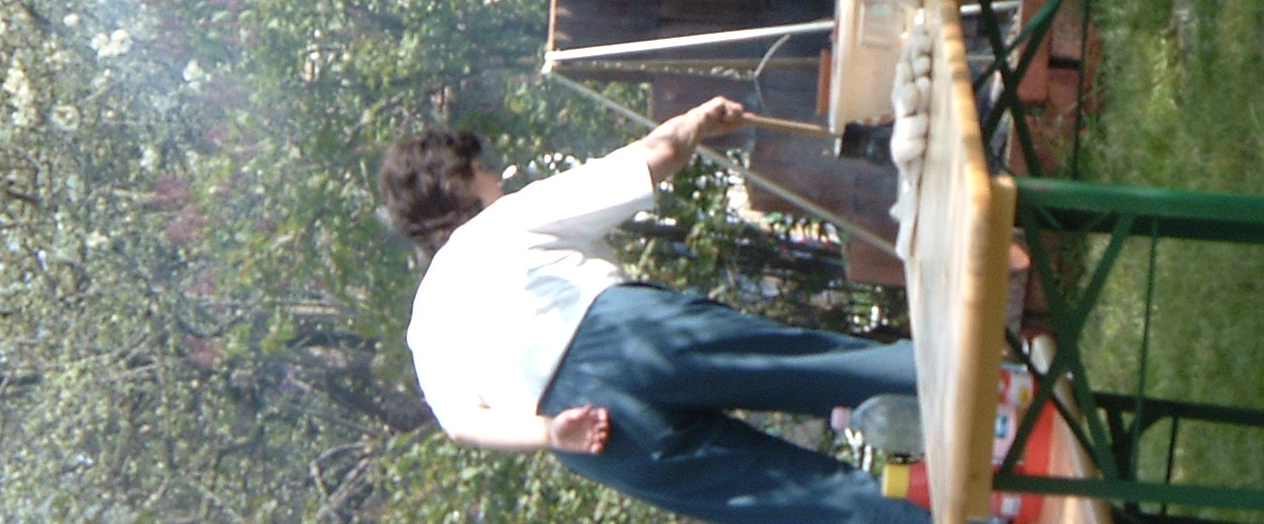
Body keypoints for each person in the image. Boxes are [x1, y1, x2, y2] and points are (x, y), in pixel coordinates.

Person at [380, 96, 930, 524]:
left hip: (592, 434)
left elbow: (462, 425)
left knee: (813, 506)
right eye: (482, 168)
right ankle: (968, 383)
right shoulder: (497, 223)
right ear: (457, 182)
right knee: (822, 371)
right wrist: (697, 122)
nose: (496, 177)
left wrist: (552, 433)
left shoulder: (424, 325)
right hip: (622, 336)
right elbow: (654, 158)